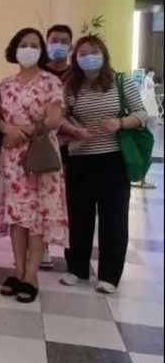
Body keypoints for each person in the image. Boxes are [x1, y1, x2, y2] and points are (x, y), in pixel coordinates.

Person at [60, 36, 148, 294]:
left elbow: (141, 114)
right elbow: (61, 117)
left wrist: (119, 123)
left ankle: (109, 275)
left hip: (113, 159)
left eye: (94, 51)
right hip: (79, 159)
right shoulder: (71, 86)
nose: (88, 57)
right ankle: (77, 268)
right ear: (75, 58)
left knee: (114, 218)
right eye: (82, 53)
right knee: (78, 217)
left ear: (104, 54)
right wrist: (75, 131)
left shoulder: (121, 81)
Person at [0, 28, 68, 304]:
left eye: (34, 45)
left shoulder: (51, 82)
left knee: (36, 218)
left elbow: (55, 119)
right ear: (15, 49)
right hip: (11, 159)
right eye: (24, 44)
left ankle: (31, 276)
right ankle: (18, 270)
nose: (29, 49)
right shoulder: (5, 84)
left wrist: (23, 132)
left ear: (41, 51)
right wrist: (8, 129)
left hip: (40, 157)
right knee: (16, 217)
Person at [41, 23, 74, 269]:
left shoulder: (77, 75)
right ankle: (41, 247)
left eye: (64, 41)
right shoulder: (38, 73)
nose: (58, 45)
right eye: (54, 40)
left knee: (69, 201)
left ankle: (72, 252)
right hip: (43, 145)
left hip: (74, 146)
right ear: (47, 43)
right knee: (41, 198)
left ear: (71, 46)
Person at [134, 68, 159, 189]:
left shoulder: (147, 79)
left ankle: (142, 179)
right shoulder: (147, 79)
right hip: (146, 113)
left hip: (148, 113)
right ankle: (141, 179)